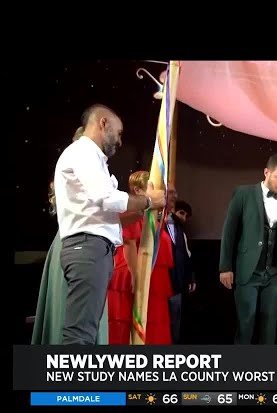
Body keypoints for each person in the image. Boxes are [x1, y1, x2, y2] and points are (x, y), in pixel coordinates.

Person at [53, 104, 166, 345]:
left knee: (86, 332)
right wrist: (148, 200)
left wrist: (145, 209)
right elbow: (106, 197)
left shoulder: (90, 157)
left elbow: (106, 215)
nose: (120, 141)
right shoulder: (83, 152)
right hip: (88, 249)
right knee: (80, 334)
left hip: (92, 249)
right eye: (119, 132)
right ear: (103, 123)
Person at [32, 127, 108, 344]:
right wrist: (145, 202)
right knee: (74, 314)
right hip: (80, 242)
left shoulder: (80, 165)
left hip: (74, 241)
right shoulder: (81, 163)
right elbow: (102, 204)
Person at [219, 154, 277, 344]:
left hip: (273, 275)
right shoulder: (243, 194)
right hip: (248, 272)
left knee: (269, 329)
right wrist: (225, 267)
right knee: (246, 325)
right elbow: (229, 232)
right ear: (266, 172)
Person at [107, 171, 174, 345]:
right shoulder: (132, 213)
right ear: (137, 190)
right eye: (154, 188)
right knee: (129, 325)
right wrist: (136, 275)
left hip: (155, 278)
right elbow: (128, 243)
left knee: (154, 325)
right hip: (135, 273)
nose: (162, 194)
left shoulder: (156, 217)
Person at [165, 186, 195, 344]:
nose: (183, 218)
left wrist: (190, 278)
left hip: (176, 283)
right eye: (181, 213)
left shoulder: (180, 231)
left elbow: (186, 256)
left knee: (175, 322)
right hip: (160, 281)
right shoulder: (157, 224)